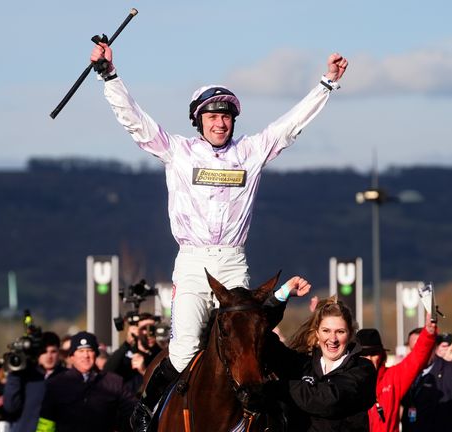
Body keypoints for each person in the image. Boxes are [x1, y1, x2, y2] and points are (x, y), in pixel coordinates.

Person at [90, 40, 349, 430]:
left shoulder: (252, 151)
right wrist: (110, 76)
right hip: (193, 262)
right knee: (182, 350)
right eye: (212, 116)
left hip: (232, 261)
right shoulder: (177, 151)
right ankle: (146, 411)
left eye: (226, 116)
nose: (220, 122)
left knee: (252, 346)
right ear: (199, 120)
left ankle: (265, 416)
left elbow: (290, 125)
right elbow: (136, 122)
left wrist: (326, 84)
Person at [266, 293, 377, 431]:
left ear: (350, 335)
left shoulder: (363, 369)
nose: (333, 339)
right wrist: (282, 295)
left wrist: (278, 388)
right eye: (326, 331)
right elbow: (259, 332)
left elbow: (330, 399)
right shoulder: (301, 365)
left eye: (340, 332)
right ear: (317, 333)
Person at [37, 331, 137, 432]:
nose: (86, 355)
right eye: (81, 351)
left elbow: (135, 412)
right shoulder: (56, 384)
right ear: (72, 356)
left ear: (96, 354)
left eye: (89, 350)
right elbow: (46, 423)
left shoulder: (114, 383)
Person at [359, 314, 437, 432]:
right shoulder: (347, 380)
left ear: (381, 355)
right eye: (364, 354)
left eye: (374, 353)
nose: (369, 358)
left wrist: (429, 332)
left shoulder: (392, 377)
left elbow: (417, 359)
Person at [2, 331, 66, 432]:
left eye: (53, 351)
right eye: (44, 352)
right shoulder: (24, 375)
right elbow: (10, 407)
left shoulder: (67, 377)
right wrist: (15, 375)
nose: (49, 356)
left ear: (59, 352)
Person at [104, 312, 162, 394]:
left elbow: (163, 385)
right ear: (136, 330)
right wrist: (127, 343)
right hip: (126, 401)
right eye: (144, 328)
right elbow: (106, 372)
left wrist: (144, 371)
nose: (150, 333)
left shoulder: (160, 354)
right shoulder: (126, 351)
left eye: (152, 328)